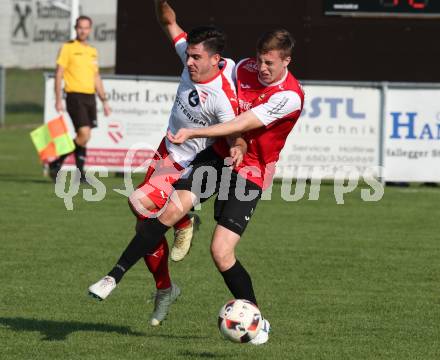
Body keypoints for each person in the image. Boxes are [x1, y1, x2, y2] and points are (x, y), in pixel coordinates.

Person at [89, 27, 304, 345]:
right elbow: (214, 68)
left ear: (286, 61)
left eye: (270, 63)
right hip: (216, 156)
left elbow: (244, 123)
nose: (261, 68)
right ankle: (113, 276)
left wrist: (194, 133)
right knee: (167, 212)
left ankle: (255, 319)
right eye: (259, 60)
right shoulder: (241, 67)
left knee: (220, 251)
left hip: (251, 173)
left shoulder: (290, 95)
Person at [90, 0, 246, 327]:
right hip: (168, 158)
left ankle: (151, 275)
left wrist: (238, 148)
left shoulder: (222, 97)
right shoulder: (189, 59)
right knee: (142, 218)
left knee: (144, 214)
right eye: (188, 55)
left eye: (196, 57)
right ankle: (169, 278)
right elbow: (168, 22)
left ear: (216, 60)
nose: (188, 61)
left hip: (199, 167)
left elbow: (235, 134)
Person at [49, 15, 111, 183]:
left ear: (90, 30)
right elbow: (59, 73)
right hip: (74, 96)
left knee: (85, 136)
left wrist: (104, 100)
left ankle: (75, 171)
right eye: (80, 27)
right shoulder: (67, 48)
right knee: (83, 133)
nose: (83, 30)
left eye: (86, 27)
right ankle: (57, 163)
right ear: (76, 29)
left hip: (90, 97)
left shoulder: (92, 51)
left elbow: (96, 76)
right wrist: (57, 98)